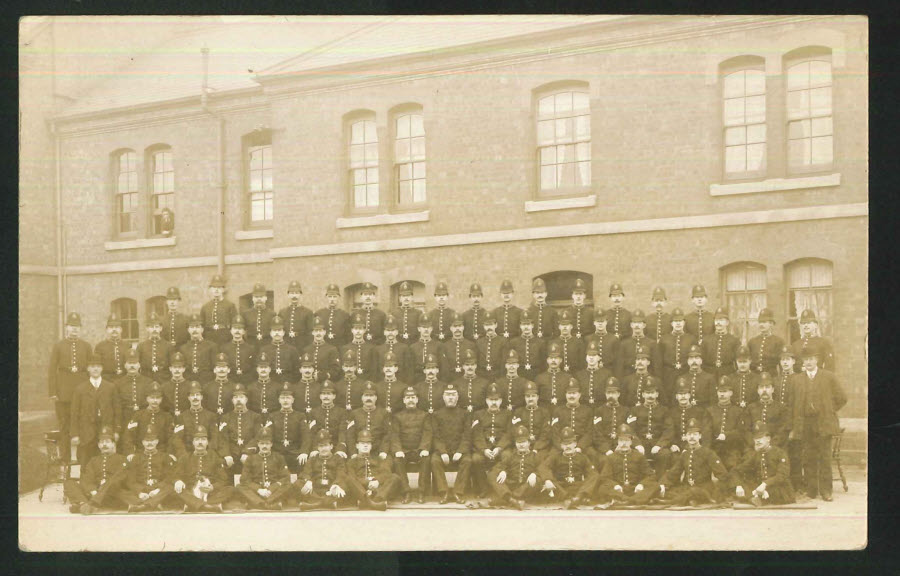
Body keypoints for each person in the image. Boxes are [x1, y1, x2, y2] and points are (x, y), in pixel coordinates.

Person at [788, 341, 846, 501]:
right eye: (805, 359)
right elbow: (792, 404)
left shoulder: (828, 376)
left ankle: (826, 491)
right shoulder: (797, 380)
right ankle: (812, 490)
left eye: (811, 359)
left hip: (823, 422)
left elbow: (842, 398)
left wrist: (829, 409)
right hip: (805, 423)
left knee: (825, 457)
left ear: (817, 360)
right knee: (808, 457)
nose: (808, 362)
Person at [49, 312, 94, 463]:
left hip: (82, 391)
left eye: (77, 327)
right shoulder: (58, 346)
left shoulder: (86, 346)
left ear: (80, 328)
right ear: (66, 327)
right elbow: (52, 370)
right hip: (64, 392)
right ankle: (65, 459)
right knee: (64, 425)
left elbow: (91, 369)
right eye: (71, 326)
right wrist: (53, 392)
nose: (74, 330)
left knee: (83, 424)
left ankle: (83, 460)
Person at [658, 418, 728, 506]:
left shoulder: (709, 453)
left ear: (700, 436)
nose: (691, 437)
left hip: (703, 488)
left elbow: (722, 474)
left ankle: (673, 502)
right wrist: (662, 485)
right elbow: (673, 473)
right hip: (687, 487)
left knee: (695, 491)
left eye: (695, 434)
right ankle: (691, 500)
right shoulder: (684, 455)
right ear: (686, 437)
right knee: (670, 491)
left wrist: (718, 492)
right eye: (689, 434)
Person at [63, 426, 128, 514]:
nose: (104, 445)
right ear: (98, 445)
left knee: (120, 491)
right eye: (102, 442)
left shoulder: (122, 459)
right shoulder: (94, 460)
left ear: (114, 444)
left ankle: (85, 505)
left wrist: (100, 492)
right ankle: (84, 504)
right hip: (94, 493)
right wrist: (93, 491)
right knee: (69, 483)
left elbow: (119, 480)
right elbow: (87, 479)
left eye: (107, 442)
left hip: (111, 494)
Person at [593, 423, 658, 507]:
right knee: (602, 488)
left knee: (655, 486)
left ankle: (624, 501)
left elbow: (651, 476)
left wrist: (641, 485)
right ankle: (635, 500)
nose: (624, 443)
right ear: (617, 442)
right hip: (619, 490)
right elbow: (605, 477)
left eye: (626, 440)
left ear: (631, 441)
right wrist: (615, 485)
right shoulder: (611, 457)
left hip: (635, 489)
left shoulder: (639, 456)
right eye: (621, 440)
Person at [172, 424, 233, 513]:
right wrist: (178, 481)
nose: (200, 442)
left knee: (230, 489)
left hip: (210, 493)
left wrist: (212, 487)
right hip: (191, 491)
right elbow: (175, 476)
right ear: (193, 442)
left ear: (207, 442)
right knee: (178, 490)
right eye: (197, 440)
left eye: (203, 439)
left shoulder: (214, 457)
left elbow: (223, 479)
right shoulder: (185, 458)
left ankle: (194, 505)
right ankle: (207, 506)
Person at [732, 421, 796, 506]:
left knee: (773, 491)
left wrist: (765, 484)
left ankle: (754, 498)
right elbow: (736, 470)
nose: (757, 441)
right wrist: (738, 485)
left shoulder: (780, 453)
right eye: (755, 438)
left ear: (768, 438)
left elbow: (782, 475)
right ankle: (756, 497)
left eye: (761, 437)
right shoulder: (756, 455)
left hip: (779, 488)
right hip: (761, 488)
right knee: (743, 487)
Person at [69, 353, 116, 465]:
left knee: (106, 461)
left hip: (104, 430)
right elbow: (74, 413)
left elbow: (116, 410)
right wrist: (74, 434)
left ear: (102, 369)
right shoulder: (80, 389)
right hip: (86, 432)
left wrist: (116, 430)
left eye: (98, 366)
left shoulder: (110, 387)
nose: (95, 369)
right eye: (93, 366)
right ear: (88, 369)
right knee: (86, 462)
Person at [430, 383, 473, 504]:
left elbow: (467, 435)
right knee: (434, 460)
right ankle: (444, 492)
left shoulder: (465, 414)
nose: (450, 398)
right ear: (443, 397)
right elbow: (436, 436)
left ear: (458, 397)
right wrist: (442, 452)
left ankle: (458, 492)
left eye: (453, 395)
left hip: (459, 450)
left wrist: (460, 451)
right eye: (448, 395)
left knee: (467, 460)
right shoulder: (436, 415)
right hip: (443, 450)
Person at [118, 425, 176, 512]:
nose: (150, 443)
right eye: (147, 441)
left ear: (157, 441)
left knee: (171, 486)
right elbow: (131, 480)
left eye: (152, 440)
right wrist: (140, 492)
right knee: (120, 491)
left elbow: (168, 477)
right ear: (142, 442)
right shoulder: (136, 458)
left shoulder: (164, 457)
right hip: (142, 488)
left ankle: (142, 505)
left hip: (158, 489)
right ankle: (153, 503)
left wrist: (157, 490)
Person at [538, 426, 599, 509]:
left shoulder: (582, 457)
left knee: (595, 477)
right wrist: (548, 479)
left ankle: (577, 498)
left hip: (577, 487)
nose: (568, 446)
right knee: (549, 483)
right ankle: (572, 499)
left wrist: (584, 489)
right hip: (562, 487)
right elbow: (543, 467)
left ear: (575, 444)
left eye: (570, 443)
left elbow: (593, 474)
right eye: (565, 444)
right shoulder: (555, 457)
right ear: (561, 445)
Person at [235, 427, 296, 510]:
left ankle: (257, 504)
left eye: (267, 443)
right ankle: (269, 504)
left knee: (288, 485)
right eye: (262, 443)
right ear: (258, 444)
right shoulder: (250, 459)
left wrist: (271, 489)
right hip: (257, 492)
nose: (264, 446)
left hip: (274, 491)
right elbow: (244, 479)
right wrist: (258, 489)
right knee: (239, 486)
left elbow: (286, 477)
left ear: (271, 444)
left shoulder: (279, 457)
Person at [391, 386, 433, 503]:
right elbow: (394, 435)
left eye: (413, 397)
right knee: (397, 461)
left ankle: (421, 492)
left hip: (418, 450)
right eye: (408, 397)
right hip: (404, 451)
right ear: (404, 400)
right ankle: (406, 492)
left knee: (426, 459)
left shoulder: (424, 415)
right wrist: (398, 450)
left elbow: (427, 433)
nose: (410, 400)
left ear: (417, 400)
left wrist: (424, 448)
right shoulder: (397, 416)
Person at [471, 383, 513, 496]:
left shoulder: (508, 414)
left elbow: (509, 433)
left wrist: (499, 448)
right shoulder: (478, 414)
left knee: (507, 456)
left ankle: (501, 485)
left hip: (501, 447)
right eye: (491, 399)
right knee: (476, 459)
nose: (494, 402)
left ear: (501, 401)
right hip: (485, 448)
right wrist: (484, 449)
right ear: (486, 401)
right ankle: (483, 488)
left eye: (497, 399)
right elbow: (477, 434)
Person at [487, 425, 542, 509]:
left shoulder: (535, 456)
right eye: (519, 442)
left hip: (526, 486)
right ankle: (511, 499)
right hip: (512, 485)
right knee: (492, 474)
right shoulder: (511, 456)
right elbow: (498, 467)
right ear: (515, 444)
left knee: (538, 480)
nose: (521, 445)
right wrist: (503, 471)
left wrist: (535, 474)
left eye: (524, 442)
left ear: (529, 443)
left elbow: (543, 469)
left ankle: (506, 499)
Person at [344, 428, 401, 510]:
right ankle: (373, 503)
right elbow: (352, 477)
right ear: (357, 445)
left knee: (395, 477)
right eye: (362, 443)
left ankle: (373, 501)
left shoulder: (378, 459)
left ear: (371, 446)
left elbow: (386, 473)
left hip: (378, 489)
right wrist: (367, 483)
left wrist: (377, 481)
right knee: (349, 479)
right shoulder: (352, 461)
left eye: (368, 443)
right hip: (362, 490)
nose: (365, 445)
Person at [219, 383, 262, 482]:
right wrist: (226, 454)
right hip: (231, 454)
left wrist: (247, 452)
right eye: (235, 397)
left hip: (249, 454)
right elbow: (222, 438)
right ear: (232, 401)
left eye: (241, 397)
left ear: (246, 400)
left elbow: (257, 437)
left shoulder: (255, 416)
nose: (238, 400)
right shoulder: (225, 417)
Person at [297, 430, 350, 510]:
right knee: (298, 483)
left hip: (330, 488)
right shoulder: (313, 459)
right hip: (316, 490)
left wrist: (336, 484)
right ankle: (326, 503)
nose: (323, 448)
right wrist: (308, 481)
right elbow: (306, 472)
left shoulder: (337, 459)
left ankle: (315, 504)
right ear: (318, 448)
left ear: (331, 446)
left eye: (326, 445)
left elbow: (341, 473)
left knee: (343, 485)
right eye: (321, 446)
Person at [631, 380, 673, 476]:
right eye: (647, 393)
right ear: (643, 395)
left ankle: (659, 481)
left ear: (657, 394)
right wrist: (637, 444)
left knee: (665, 454)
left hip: (657, 443)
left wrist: (659, 445)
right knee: (634, 454)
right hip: (641, 443)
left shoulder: (664, 410)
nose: (650, 396)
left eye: (652, 393)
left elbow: (669, 430)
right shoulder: (635, 410)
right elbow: (631, 429)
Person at [344, 381, 392, 461]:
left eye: (371, 395)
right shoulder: (354, 413)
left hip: (378, 452)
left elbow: (387, 434)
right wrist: (353, 453)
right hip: (359, 452)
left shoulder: (384, 413)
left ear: (376, 397)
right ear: (362, 398)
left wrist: (383, 451)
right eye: (366, 395)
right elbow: (350, 435)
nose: (368, 398)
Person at [171, 381, 220, 461]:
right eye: (192, 395)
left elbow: (214, 437)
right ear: (188, 398)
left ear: (201, 397)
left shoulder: (211, 416)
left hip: (206, 454)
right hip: (187, 454)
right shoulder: (181, 417)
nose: (195, 398)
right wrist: (183, 456)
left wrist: (209, 454)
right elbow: (177, 439)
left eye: (197, 395)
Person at [590, 377, 632, 469]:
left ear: (618, 394)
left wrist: (621, 446)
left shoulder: (626, 410)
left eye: (613, 393)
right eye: (608, 393)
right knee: (604, 461)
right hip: (604, 447)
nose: (611, 395)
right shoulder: (599, 411)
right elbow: (597, 433)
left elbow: (631, 431)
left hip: (622, 445)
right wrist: (607, 450)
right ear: (605, 394)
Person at [269, 383, 311, 474]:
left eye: (288, 398)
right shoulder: (272, 416)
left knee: (302, 462)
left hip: (294, 452)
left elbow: (306, 436)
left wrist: (304, 452)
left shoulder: (300, 416)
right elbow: (268, 435)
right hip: (277, 452)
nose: (285, 400)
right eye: (283, 398)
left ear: (293, 400)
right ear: (279, 400)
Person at [123, 382, 174, 455]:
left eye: (158, 398)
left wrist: (169, 454)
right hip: (141, 453)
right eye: (152, 398)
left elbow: (172, 438)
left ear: (162, 399)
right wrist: (130, 453)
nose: (155, 401)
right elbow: (128, 436)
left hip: (161, 454)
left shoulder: (167, 417)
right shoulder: (138, 415)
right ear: (147, 398)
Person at [708, 377, 748, 469]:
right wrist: (707, 451)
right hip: (714, 447)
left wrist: (726, 435)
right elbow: (707, 432)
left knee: (732, 464)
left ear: (731, 393)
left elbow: (740, 432)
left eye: (725, 391)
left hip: (732, 448)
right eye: (720, 391)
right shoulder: (710, 411)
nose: (722, 394)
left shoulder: (738, 411)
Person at [114, 349, 154, 439]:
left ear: (139, 365)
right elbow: (116, 406)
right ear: (125, 365)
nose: (132, 366)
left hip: (143, 417)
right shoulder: (118, 383)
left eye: (135, 363)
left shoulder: (148, 382)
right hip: (125, 417)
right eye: (129, 363)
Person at [667, 378, 712, 454]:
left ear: (689, 395)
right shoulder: (671, 412)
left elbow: (706, 433)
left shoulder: (700, 412)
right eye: (680, 394)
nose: (683, 396)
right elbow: (669, 431)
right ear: (676, 396)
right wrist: (672, 444)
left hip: (695, 447)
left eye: (685, 394)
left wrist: (691, 448)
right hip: (676, 447)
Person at [550, 378, 594, 457]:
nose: (571, 396)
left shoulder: (587, 411)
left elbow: (589, 432)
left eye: (574, 393)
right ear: (565, 395)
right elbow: (555, 433)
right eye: (569, 393)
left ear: (579, 394)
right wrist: (563, 447)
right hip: (562, 446)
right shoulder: (558, 411)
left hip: (582, 446)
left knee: (593, 455)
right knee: (551, 456)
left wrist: (580, 447)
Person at [659, 309, 694, 403]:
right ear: (671, 323)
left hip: (685, 371)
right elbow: (659, 360)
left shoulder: (691, 338)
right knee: (669, 397)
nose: (678, 323)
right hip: (668, 373)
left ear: (684, 322)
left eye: (680, 321)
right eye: (675, 321)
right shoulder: (664, 339)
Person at [746, 373, 789, 449]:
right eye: (761, 387)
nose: (764, 390)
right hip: (754, 448)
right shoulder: (750, 408)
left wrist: (771, 445)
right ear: (758, 390)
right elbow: (746, 430)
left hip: (775, 448)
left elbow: (783, 431)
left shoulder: (781, 408)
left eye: (767, 387)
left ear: (772, 389)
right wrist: (754, 444)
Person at [513, 380, 552, 462]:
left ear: (537, 397)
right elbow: (515, 431)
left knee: (539, 459)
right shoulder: (518, 412)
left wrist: (536, 448)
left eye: (533, 396)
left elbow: (546, 433)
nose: (530, 399)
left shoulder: (544, 412)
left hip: (540, 447)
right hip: (522, 446)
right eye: (528, 396)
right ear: (524, 398)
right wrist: (524, 447)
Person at [307, 381, 350, 457]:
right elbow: (312, 433)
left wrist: (340, 449)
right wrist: (315, 449)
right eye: (323, 394)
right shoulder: (313, 412)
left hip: (336, 446)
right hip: (319, 447)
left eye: (328, 394)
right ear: (320, 396)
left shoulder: (342, 412)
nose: (326, 397)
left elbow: (342, 432)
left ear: (334, 396)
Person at [620, 309, 662, 381]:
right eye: (635, 322)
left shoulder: (652, 343)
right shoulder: (624, 344)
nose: (637, 325)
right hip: (629, 381)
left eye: (639, 322)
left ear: (644, 325)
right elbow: (620, 366)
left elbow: (656, 367)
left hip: (648, 381)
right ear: (631, 325)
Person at [702, 307, 740, 383]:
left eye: (721, 320)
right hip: (709, 375)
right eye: (716, 320)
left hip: (728, 374)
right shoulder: (706, 340)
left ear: (727, 323)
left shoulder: (734, 341)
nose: (718, 323)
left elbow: (737, 362)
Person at [506, 309, 546, 382]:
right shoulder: (513, 342)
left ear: (532, 325)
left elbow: (543, 363)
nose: (526, 327)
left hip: (536, 374)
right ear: (520, 326)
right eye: (524, 324)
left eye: (528, 324)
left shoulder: (540, 343)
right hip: (520, 374)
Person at [341, 312, 379, 383]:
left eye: (360, 328)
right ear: (352, 330)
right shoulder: (345, 348)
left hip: (367, 384)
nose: (358, 331)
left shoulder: (371, 348)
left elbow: (374, 370)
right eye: (356, 328)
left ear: (364, 330)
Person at [259, 315, 299, 384]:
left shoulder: (292, 350)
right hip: (270, 384)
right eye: (274, 330)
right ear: (270, 333)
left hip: (287, 383)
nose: (277, 333)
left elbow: (296, 371)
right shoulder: (264, 350)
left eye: (279, 330)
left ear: (283, 332)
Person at [583, 309, 622, 380]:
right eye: (598, 321)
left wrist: (616, 378)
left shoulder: (613, 339)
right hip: (593, 374)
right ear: (594, 323)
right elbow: (585, 359)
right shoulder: (588, 339)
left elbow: (618, 362)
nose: (600, 324)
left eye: (602, 321)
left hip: (609, 374)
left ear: (606, 322)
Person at [179, 313, 218, 383]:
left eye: (197, 327)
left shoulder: (211, 346)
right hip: (189, 383)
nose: (195, 330)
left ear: (202, 329)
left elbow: (215, 368)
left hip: (206, 382)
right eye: (192, 327)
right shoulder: (183, 348)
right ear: (188, 330)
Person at [201, 274, 237, 346]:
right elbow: (202, 325)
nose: (216, 290)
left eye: (219, 287)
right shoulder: (205, 307)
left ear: (223, 289)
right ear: (210, 289)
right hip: (209, 338)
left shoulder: (230, 305)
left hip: (225, 338)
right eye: (214, 287)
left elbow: (234, 325)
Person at [302, 316, 341, 383]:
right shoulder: (306, 350)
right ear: (312, 332)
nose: (318, 333)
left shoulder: (332, 349)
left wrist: (324, 375)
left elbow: (336, 370)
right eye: (316, 331)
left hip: (325, 385)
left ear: (324, 332)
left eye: (320, 330)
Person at [376, 314, 413, 385]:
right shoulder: (378, 349)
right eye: (388, 330)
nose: (390, 333)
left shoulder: (404, 348)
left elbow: (408, 371)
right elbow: (376, 372)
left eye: (393, 330)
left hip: (401, 384)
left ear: (397, 332)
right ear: (384, 332)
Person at [575, 340, 613, 407]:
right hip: (583, 407)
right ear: (586, 357)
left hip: (601, 406)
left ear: (599, 358)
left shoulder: (607, 374)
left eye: (594, 355)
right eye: (589, 355)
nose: (591, 357)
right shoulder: (579, 375)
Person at [439, 312, 476, 379]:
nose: (457, 329)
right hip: (450, 379)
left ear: (463, 327)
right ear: (451, 328)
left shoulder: (471, 345)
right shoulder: (445, 346)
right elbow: (444, 368)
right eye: (455, 326)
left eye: (459, 326)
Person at [220, 315, 255, 385]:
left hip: (247, 380)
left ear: (244, 331)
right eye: (235, 328)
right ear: (231, 331)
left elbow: (253, 366)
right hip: (230, 379)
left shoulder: (250, 348)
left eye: (240, 329)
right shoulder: (224, 348)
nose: (237, 331)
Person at [547, 309, 585, 374]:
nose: (564, 327)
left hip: (575, 373)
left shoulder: (578, 342)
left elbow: (582, 363)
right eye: (562, 325)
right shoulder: (552, 342)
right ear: (559, 326)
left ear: (571, 326)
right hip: (558, 375)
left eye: (567, 325)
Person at [279, 280, 314, 352]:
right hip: (286, 347)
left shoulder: (308, 312)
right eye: (292, 293)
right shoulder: (282, 312)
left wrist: (307, 351)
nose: (294, 296)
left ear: (301, 295)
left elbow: (310, 335)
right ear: (288, 295)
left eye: (297, 293)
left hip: (302, 347)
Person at [749, 308, 785, 376]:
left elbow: (782, 364)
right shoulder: (752, 342)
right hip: (755, 376)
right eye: (760, 322)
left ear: (771, 324)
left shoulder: (778, 342)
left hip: (771, 376)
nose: (761, 325)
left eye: (764, 322)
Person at [450, 348, 487, 414]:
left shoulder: (485, 383)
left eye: (472, 365)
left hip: (479, 414)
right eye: (467, 365)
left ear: (476, 366)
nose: (470, 367)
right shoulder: (456, 383)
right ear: (462, 366)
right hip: (461, 415)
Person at [136, 311, 171, 378]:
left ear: (161, 328)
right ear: (147, 329)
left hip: (163, 380)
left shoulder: (168, 346)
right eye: (151, 327)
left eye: (157, 327)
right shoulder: (141, 346)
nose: (154, 329)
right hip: (147, 380)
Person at [315, 283, 350, 348]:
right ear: (326, 297)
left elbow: (348, 336)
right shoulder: (319, 314)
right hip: (323, 347)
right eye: (330, 296)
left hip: (339, 347)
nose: (332, 299)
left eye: (334, 296)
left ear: (339, 297)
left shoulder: (345, 315)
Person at [410, 310, 441, 382]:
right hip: (417, 381)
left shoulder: (438, 346)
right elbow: (410, 370)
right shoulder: (413, 347)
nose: (426, 329)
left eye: (428, 327)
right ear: (419, 329)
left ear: (431, 329)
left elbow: (443, 368)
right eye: (423, 327)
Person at [202, 353, 235, 419]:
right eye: (219, 367)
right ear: (214, 370)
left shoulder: (234, 387)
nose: (221, 370)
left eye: (224, 367)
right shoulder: (207, 387)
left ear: (228, 370)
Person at [476, 310, 506, 381]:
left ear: (496, 325)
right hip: (482, 375)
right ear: (483, 326)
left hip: (497, 374)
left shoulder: (503, 341)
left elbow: (503, 362)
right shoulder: (479, 342)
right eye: (486, 325)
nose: (489, 327)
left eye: (491, 324)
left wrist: (501, 378)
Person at [95, 314, 127, 379]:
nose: (114, 329)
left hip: (124, 380)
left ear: (121, 329)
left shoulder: (127, 345)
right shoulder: (100, 346)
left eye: (117, 327)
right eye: (111, 327)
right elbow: (97, 367)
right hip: (106, 380)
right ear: (107, 329)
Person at [247, 352, 279, 416]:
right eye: (261, 367)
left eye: (266, 367)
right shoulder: (250, 387)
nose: (263, 369)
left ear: (270, 369)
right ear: (257, 369)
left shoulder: (277, 387)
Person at [536, 342, 566, 408]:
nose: (553, 360)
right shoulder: (539, 378)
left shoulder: (567, 377)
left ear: (560, 360)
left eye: (556, 358)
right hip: (544, 409)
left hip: (561, 409)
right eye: (551, 358)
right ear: (547, 360)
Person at [392, 281, 421, 345]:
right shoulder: (394, 313)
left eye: (408, 295)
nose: (406, 298)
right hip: (399, 345)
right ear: (400, 298)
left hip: (414, 344)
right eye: (403, 296)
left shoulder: (418, 313)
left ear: (412, 297)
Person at [162, 352, 190, 417]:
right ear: (170, 369)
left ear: (184, 369)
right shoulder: (164, 387)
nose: (177, 370)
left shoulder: (189, 386)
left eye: (179, 367)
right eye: (174, 367)